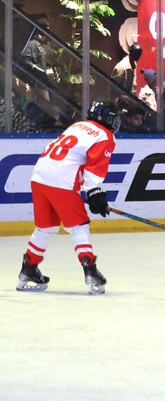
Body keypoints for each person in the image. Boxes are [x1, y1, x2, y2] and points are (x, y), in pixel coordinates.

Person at [17, 101, 119, 294]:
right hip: (62, 179)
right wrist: (95, 191)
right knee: (78, 225)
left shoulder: (78, 125)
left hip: (39, 175)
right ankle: (91, 270)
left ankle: (29, 268)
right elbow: (95, 166)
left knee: (45, 227)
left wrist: (93, 193)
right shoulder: (106, 135)